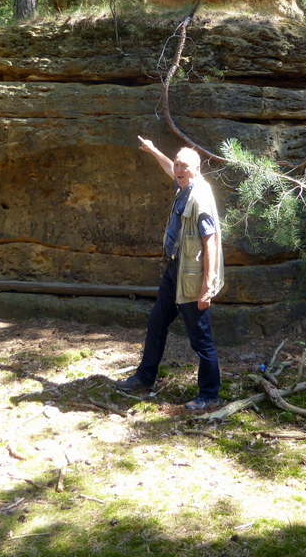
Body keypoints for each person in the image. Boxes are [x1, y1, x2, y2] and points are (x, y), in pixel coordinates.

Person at [115, 136, 225, 410]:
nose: (178, 169)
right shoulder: (185, 185)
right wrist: (153, 150)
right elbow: (168, 168)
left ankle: (210, 395)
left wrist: (207, 287)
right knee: (156, 323)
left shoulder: (199, 198)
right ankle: (144, 378)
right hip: (175, 270)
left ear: (196, 169)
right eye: (177, 164)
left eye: (184, 166)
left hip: (192, 277)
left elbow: (210, 243)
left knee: (201, 338)